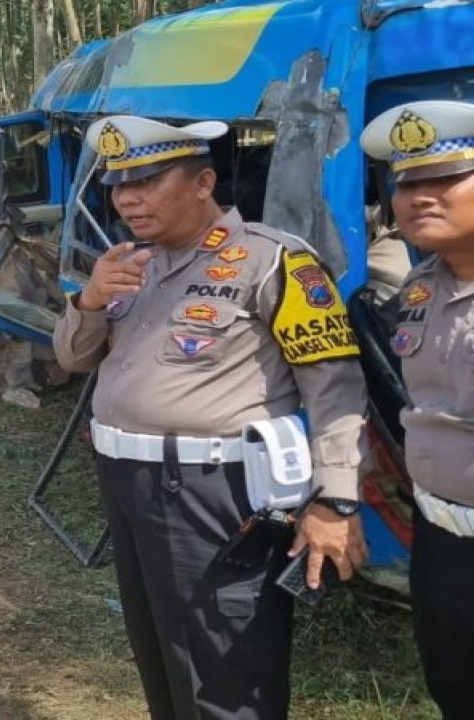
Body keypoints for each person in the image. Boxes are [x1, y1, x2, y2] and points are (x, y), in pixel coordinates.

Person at [53, 115, 369, 720]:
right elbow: (71, 358)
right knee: (163, 653)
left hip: (212, 492)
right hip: (127, 483)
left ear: (202, 182)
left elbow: (334, 389)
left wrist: (336, 498)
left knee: (225, 665)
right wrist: (90, 300)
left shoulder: (272, 261)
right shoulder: (130, 263)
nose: (127, 198)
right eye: (119, 185)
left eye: (146, 181)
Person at [362, 100, 474, 719]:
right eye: (406, 182)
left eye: (445, 178)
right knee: (454, 691)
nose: (418, 197)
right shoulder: (419, 288)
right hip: (441, 541)